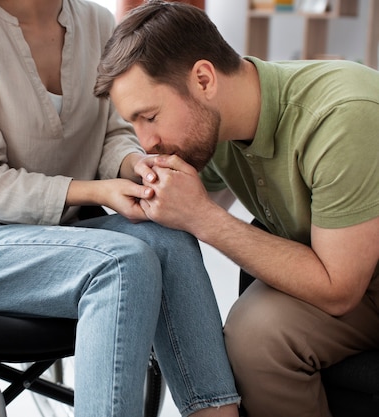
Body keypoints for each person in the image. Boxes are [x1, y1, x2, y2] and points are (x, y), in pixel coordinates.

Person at [0, 0, 241, 416]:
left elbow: (112, 134)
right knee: (121, 263)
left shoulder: (97, 23)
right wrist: (97, 192)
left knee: (169, 236)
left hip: (57, 237)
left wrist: (138, 165)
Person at [94, 1, 379, 416]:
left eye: (150, 116)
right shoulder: (217, 127)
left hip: (358, 281)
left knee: (257, 338)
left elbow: (339, 288)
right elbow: (182, 198)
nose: (147, 141)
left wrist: (203, 218)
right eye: (134, 124)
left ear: (204, 79)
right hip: (347, 276)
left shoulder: (341, 117)